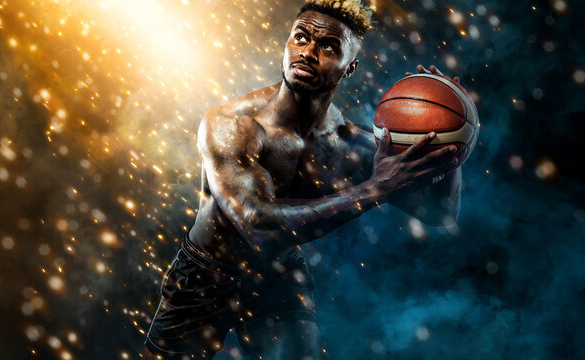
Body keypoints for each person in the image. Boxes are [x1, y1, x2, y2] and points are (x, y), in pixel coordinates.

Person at [144, 0, 462, 358]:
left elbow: (440, 212)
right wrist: (375, 189)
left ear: (349, 68)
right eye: (300, 37)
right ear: (287, 45)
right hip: (207, 271)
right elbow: (258, 225)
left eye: (328, 46)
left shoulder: (353, 144)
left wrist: (448, 142)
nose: (308, 52)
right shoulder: (234, 125)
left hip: (277, 273)